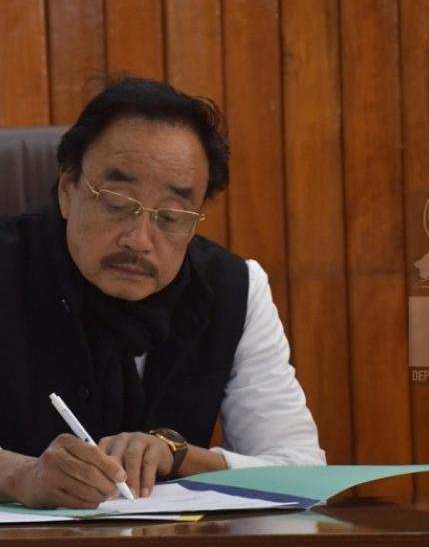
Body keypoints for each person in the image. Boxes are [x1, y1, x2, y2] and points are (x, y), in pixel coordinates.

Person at [0, 78, 325, 509]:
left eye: (171, 217)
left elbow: (304, 474)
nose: (139, 240)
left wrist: (180, 456)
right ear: (67, 190)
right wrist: (21, 476)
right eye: (117, 203)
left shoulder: (234, 289)